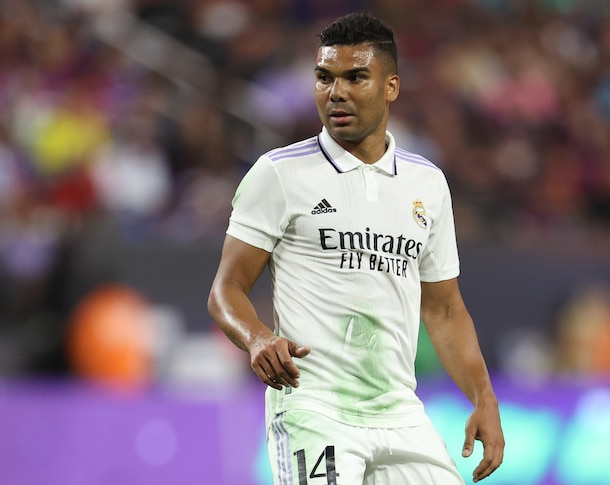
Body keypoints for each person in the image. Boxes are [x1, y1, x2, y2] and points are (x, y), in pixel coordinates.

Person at [208, 12, 504, 484]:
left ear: (391, 87)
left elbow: (445, 310)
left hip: (399, 411)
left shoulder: (426, 183)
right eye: (324, 78)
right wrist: (258, 337)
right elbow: (226, 288)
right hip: (314, 408)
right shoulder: (279, 173)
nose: (336, 92)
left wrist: (483, 398)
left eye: (355, 77)